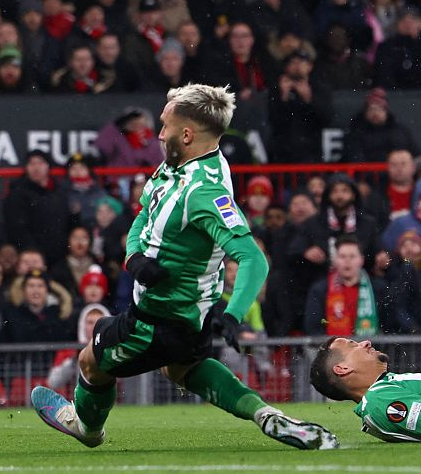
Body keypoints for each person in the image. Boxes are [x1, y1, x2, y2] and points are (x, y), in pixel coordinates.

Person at [30, 84, 337, 450]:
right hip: (191, 316)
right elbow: (143, 214)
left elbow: (253, 258)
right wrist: (134, 257)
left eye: (165, 126)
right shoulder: (178, 164)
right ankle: (265, 414)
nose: (159, 135)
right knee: (181, 368)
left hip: (158, 318)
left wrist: (235, 314)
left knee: (89, 361)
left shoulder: (204, 193)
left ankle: (86, 428)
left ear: (187, 135)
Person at [303, 236, 390, 337]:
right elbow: (314, 327)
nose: (347, 261)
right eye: (342, 256)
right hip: (332, 346)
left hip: (370, 346)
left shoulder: (378, 289)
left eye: (352, 256)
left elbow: (388, 325)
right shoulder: (320, 290)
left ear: (361, 260)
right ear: (335, 260)